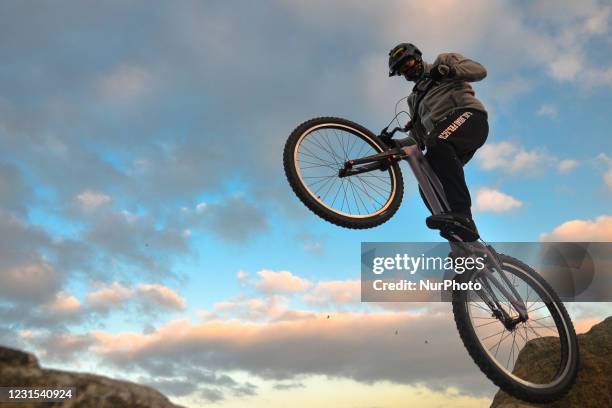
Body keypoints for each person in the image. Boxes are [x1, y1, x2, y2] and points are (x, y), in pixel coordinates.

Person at [386, 42, 489, 242]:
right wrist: (392, 144)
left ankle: (463, 215)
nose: (407, 71)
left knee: (438, 142)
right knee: (427, 180)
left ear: (416, 57)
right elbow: (418, 140)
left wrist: (449, 70)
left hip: (469, 117)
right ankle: (458, 235)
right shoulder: (413, 100)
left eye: (407, 63)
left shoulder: (442, 61)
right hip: (442, 138)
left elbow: (479, 71)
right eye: (401, 71)